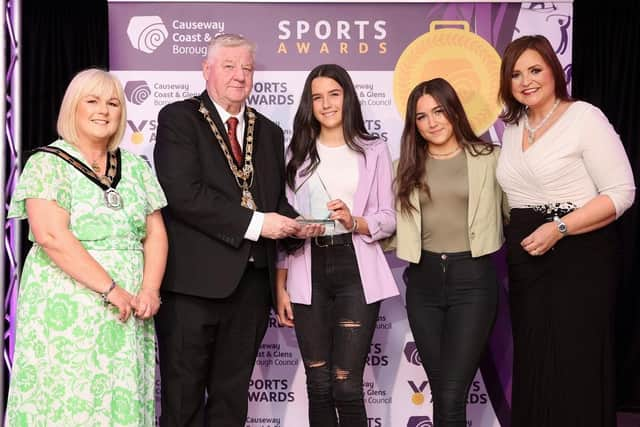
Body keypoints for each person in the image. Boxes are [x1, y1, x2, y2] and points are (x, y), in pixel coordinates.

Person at [153, 33, 303, 426]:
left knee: (232, 400)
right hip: (191, 287)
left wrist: (300, 223)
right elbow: (183, 195)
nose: (240, 76)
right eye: (230, 66)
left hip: (251, 287)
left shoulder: (269, 131)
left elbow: (271, 201)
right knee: (182, 398)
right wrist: (259, 224)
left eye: (247, 68)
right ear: (207, 70)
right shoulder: (179, 118)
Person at [5, 68, 168, 425]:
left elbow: (155, 232)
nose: (104, 110)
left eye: (112, 103)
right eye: (92, 101)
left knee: (121, 397)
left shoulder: (136, 167)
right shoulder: (47, 163)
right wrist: (111, 289)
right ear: (73, 109)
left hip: (130, 309)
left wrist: (150, 290)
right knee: (69, 398)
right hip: (68, 307)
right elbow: (51, 236)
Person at [496, 35, 635, 427]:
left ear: (554, 71)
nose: (526, 81)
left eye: (535, 70)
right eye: (516, 74)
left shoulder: (584, 117)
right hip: (527, 256)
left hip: (580, 253)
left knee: (576, 358)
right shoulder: (512, 127)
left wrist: (559, 227)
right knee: (535, 357)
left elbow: (621, 192)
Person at [275, 63, 399, 427]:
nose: (326, 103)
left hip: (355, 268)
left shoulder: (374, 150)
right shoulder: (294, 153)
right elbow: (284, 223)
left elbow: (389, 216)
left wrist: (354, 220)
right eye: (317, 97)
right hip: (306, 267)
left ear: (347, 98)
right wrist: (280, 286)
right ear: (308, 104)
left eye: (334, 94)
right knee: (319, 384)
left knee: (346, 386)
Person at [387, 78, 504, 427]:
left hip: (473, 282)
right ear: (414, 124)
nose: (432, 122)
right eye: (421, 117)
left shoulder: (490, 159)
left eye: (438, 111)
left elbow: (515, 215)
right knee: (441, 391)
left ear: (453, 110)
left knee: (452, 392)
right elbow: (385, 225)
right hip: (422, 285)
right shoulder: (402, 167)